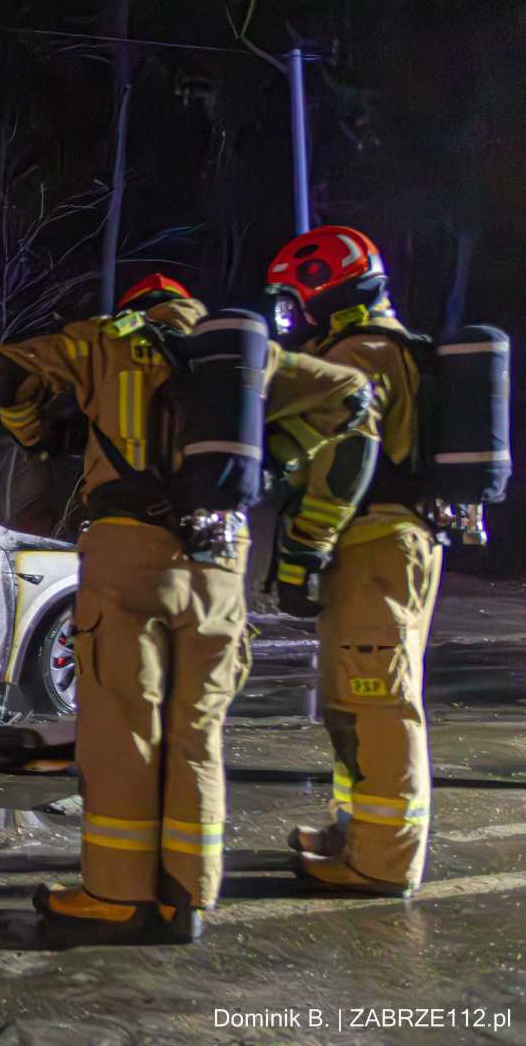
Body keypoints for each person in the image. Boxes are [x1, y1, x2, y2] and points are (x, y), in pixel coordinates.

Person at [0, 272, 376, 943]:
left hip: (129, 553)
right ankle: (188, 897)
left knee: (123, 733)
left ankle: (116, 895)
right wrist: (277, 463)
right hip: (220, 560)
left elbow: (8, 369)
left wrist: (35, 432)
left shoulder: (110, 340)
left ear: (138, 306)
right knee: (198, 732)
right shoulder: (252, 354)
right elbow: (351, 397)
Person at [266, 226, 441, 897]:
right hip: (369, 547)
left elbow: (348, 456)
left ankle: (383, 861)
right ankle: (356, 832)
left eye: (297, 296)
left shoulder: (364, 353)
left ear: (326, 283)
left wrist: (302, 549)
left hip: (375, 546)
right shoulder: (371, 348)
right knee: (353, 700)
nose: (295, 311)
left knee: (379, 704)